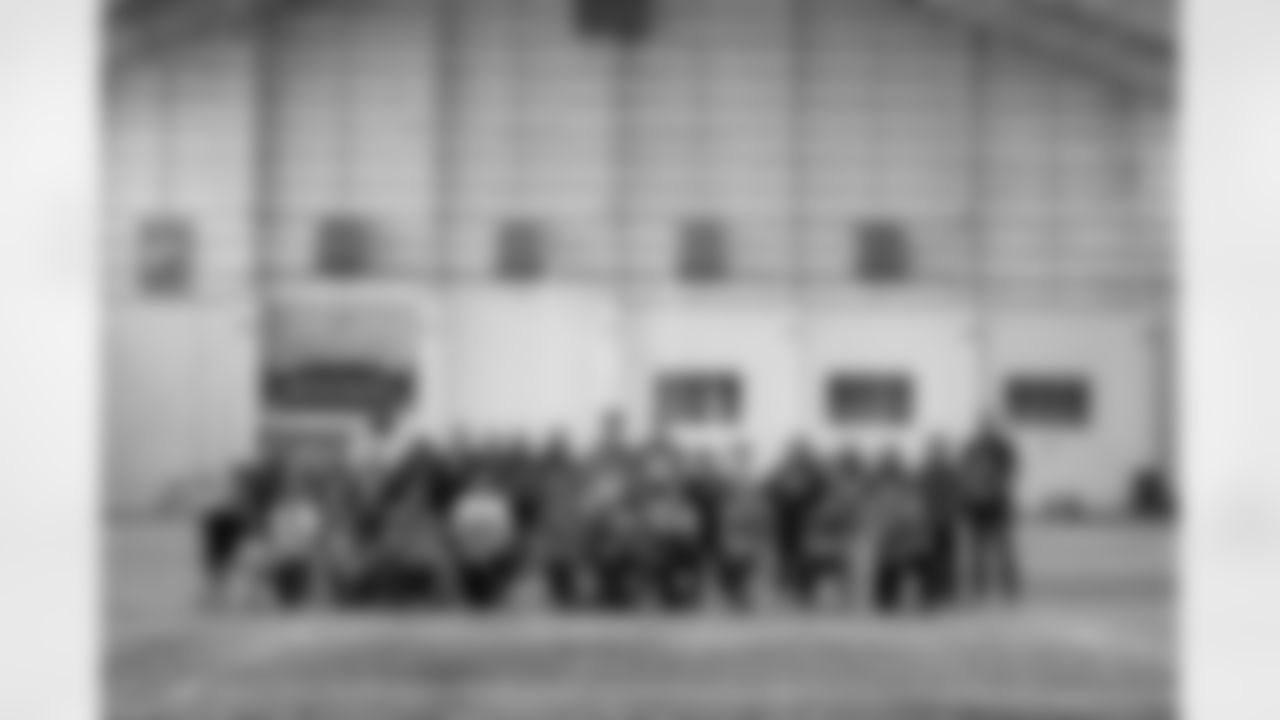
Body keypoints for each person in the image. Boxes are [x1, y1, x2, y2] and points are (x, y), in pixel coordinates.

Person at [960, 419, 1022, 601]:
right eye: (983, 428)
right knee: (977, 548)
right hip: (976, 504)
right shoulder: (972, 448)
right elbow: (964, 471)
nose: (985, 431)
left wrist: (997, 484)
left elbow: (1011, 469)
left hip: (996, 503)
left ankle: (1008, 586)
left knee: (1003, 547)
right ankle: (978, 585)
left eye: (988, 428)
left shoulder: (1000, 448)